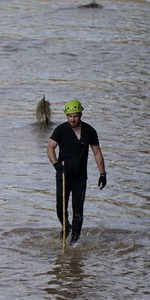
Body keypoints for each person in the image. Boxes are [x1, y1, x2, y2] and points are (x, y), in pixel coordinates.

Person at [46, 99, 107, 244]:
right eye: (70, 116)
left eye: (75, 116)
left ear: (80, 114)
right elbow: (50, 148)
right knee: (61, 208)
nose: (73, 119)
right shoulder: (61, 130)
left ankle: (74, 242)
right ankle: (66, 227)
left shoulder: (89, 131)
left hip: (80, 177)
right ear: (66, 116)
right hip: (63, 175)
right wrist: (56, 164)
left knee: (78, 210)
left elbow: (97, 153)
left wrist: (103, 174)